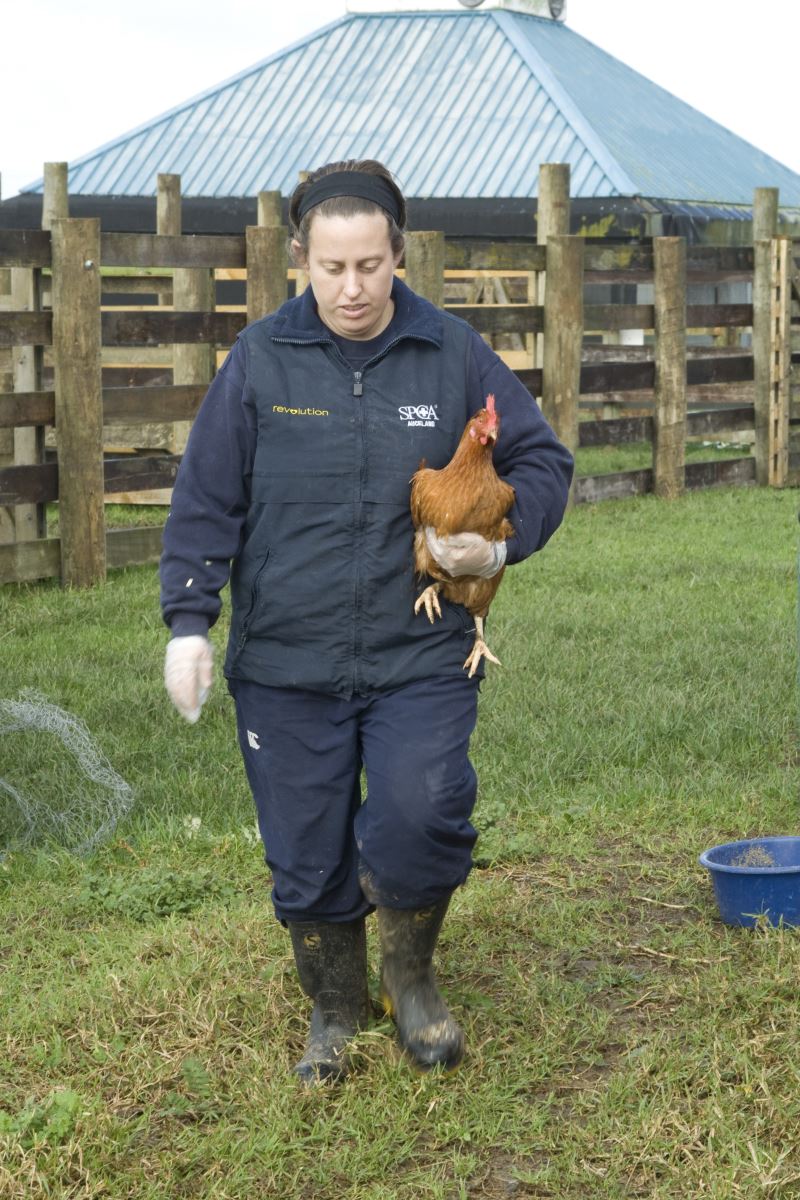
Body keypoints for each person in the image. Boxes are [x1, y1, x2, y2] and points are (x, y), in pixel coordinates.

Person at [160, 159, 573, 1084]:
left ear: (399, 256)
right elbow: (206, 498)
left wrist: (498, 549)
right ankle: (336, 1006)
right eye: (332, 268)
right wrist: (189, 620)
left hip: (417, 651)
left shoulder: (452, 351)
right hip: (286, 660)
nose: (352, 289)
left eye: (371, 267)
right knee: (306, 855)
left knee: (423, 815)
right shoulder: (260, 359)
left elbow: (545, 464)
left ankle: (410, 979)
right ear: (300, 259)